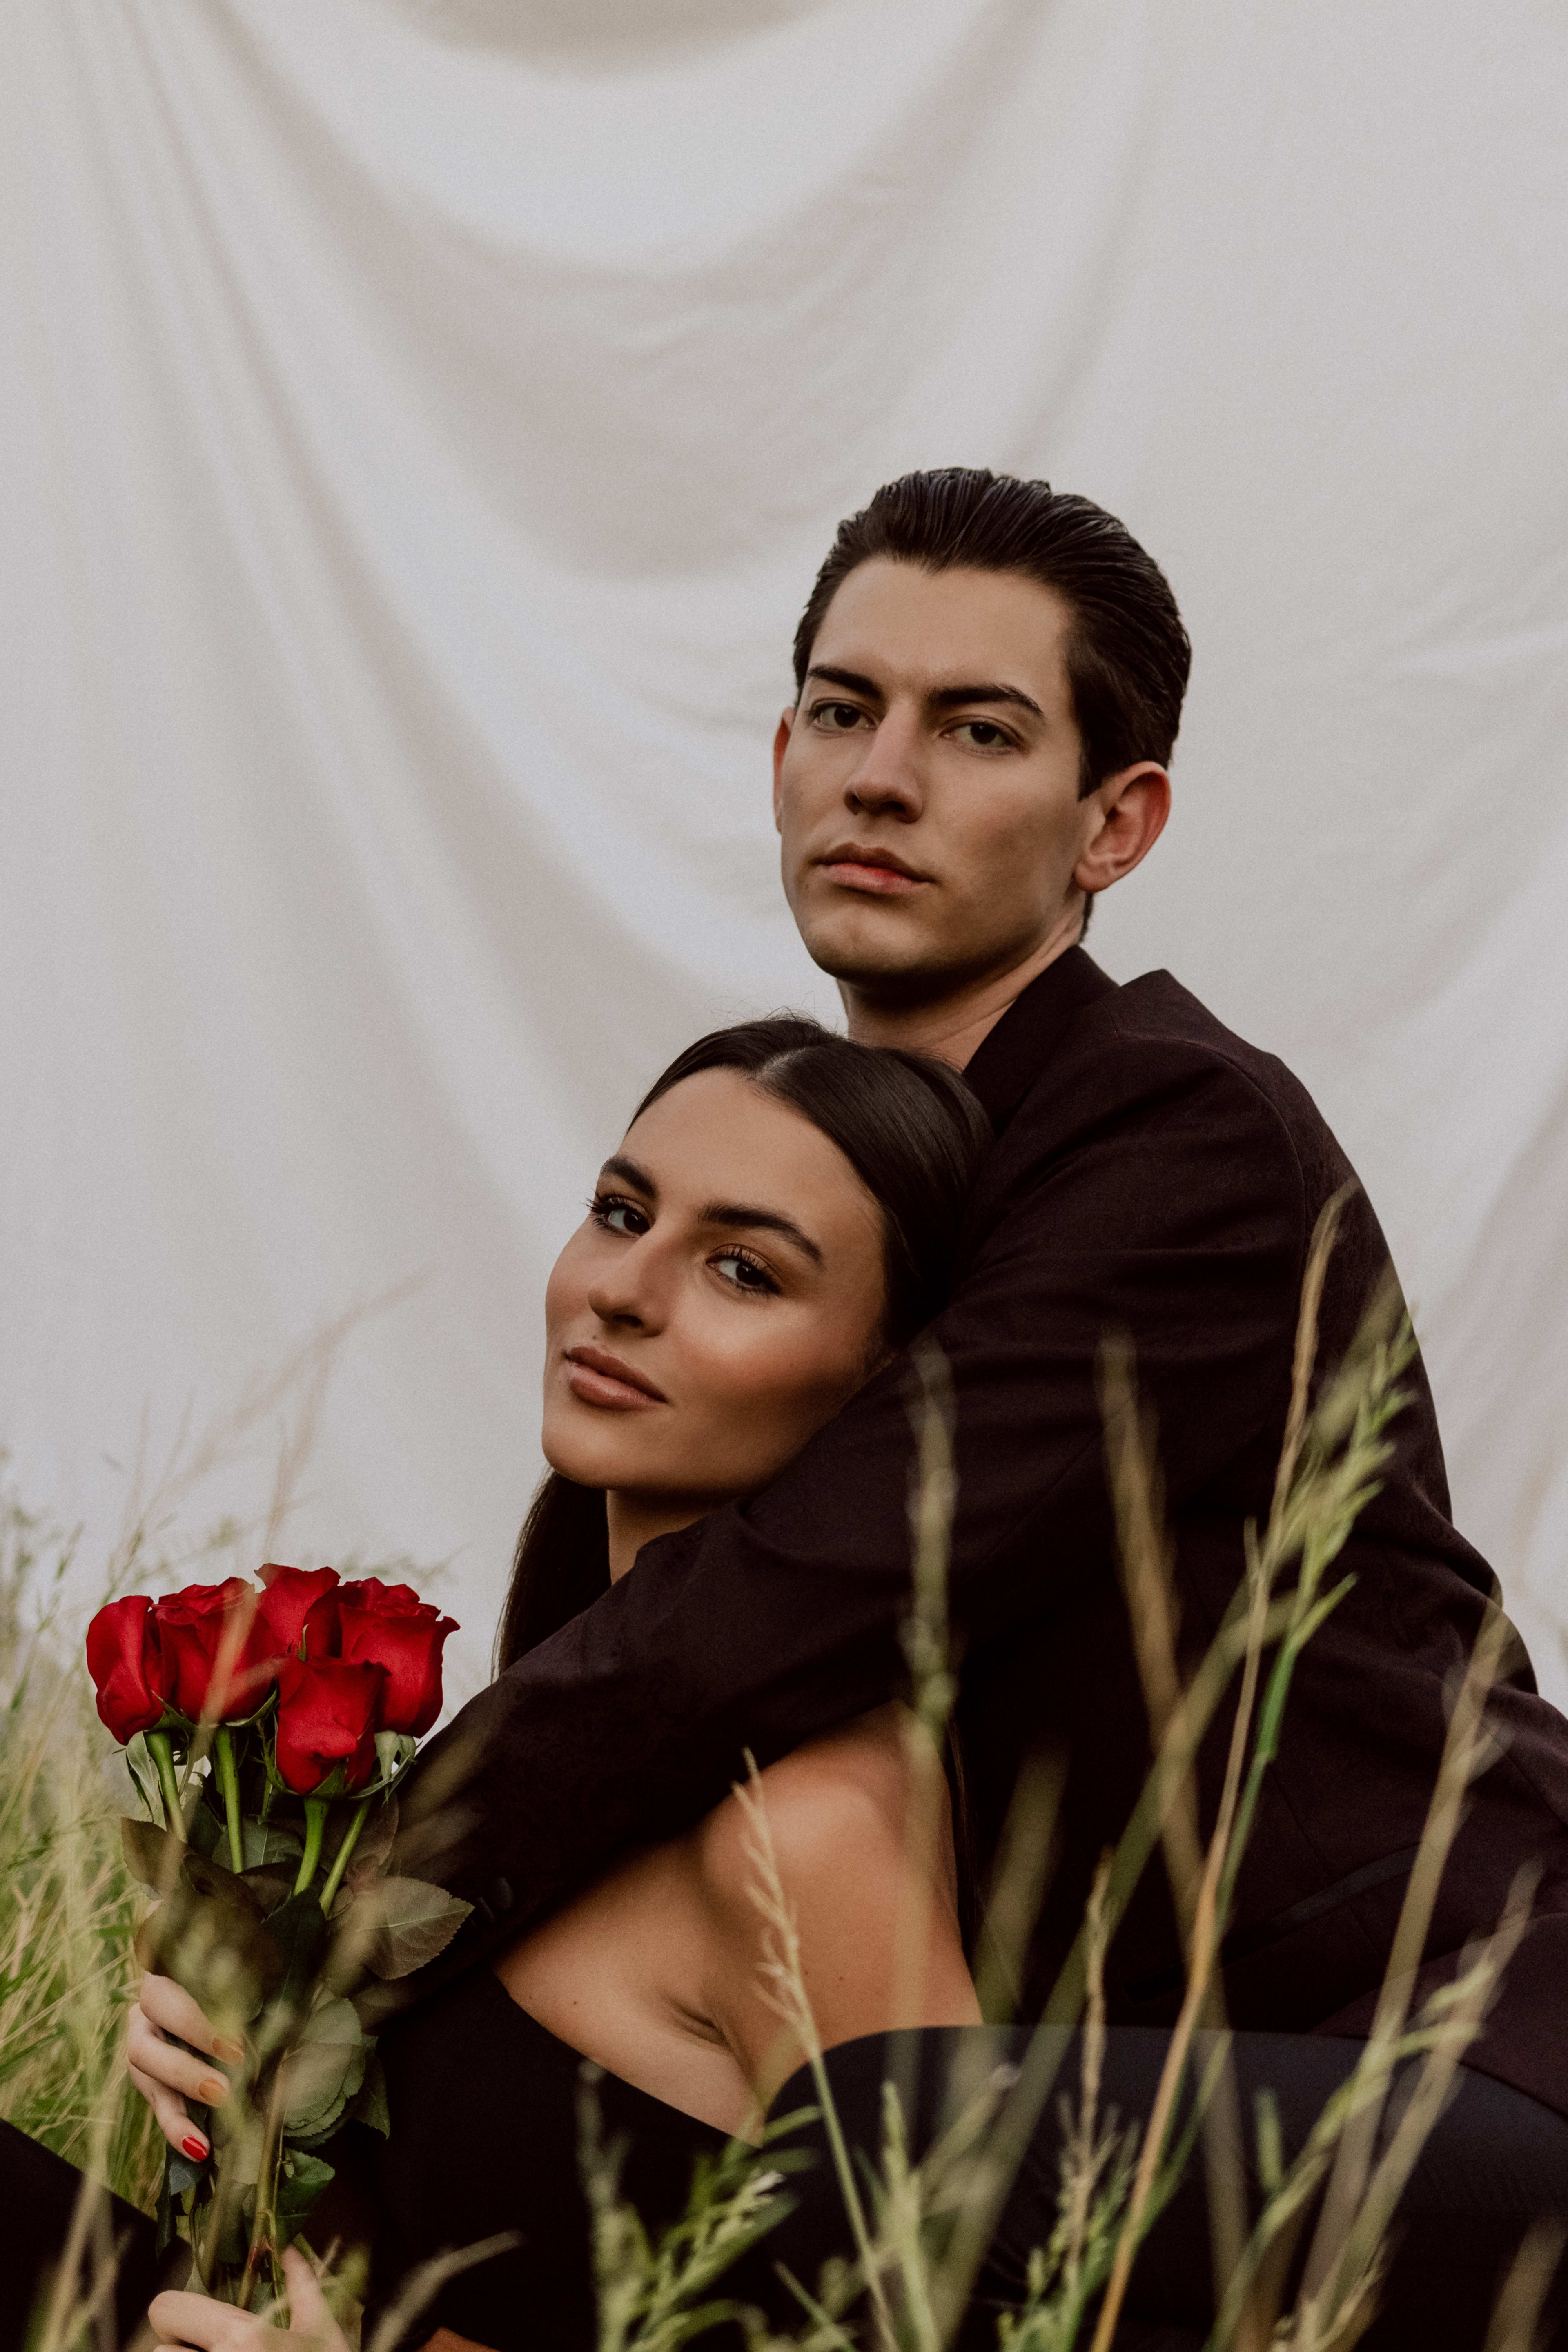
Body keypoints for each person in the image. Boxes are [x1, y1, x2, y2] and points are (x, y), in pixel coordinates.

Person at [131, 470, 1568, 2347]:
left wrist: (343, 1915)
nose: (880, 776)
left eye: (978, 731)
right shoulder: (838, 1204)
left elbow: (817, 1576)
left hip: (1458, 2053)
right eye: (840, 709)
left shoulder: (1182, 1134)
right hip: (1095, 2085)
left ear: (1114, 823)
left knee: (876, 2145)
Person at [114, 1017, 991, 2352]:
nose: (625, 1289)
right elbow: (462, 2268)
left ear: (884, 1384)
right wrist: (236, 2084)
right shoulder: (557, 1750)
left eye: (744, 1269)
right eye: (619, 1212)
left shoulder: (805, 1833)